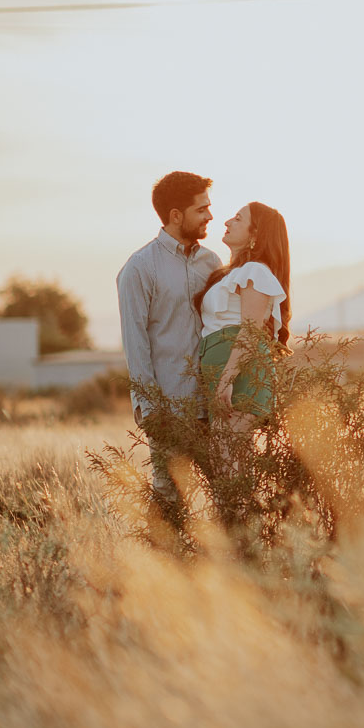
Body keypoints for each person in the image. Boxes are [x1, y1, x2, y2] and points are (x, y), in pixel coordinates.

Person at [117, 171, 220, 512]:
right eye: (201, 209)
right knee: (169, 506)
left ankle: (233, 565)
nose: (210, 215)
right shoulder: (139, 268)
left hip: (214, 408)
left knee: (230, 501)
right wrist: (151, 410)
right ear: (176, 216)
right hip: (169, 411)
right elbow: (136, 344)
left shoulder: (213, 262)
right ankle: (165, 565)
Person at [193, 201, 291, 435]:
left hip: (238, 377)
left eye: (238, 218)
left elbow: (250, 331)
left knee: (228, 462)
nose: (227, 222)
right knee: (229, 464)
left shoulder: (255, 271)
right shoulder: (234, 273)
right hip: (224, 375)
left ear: (255, 233)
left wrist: (227, 381)